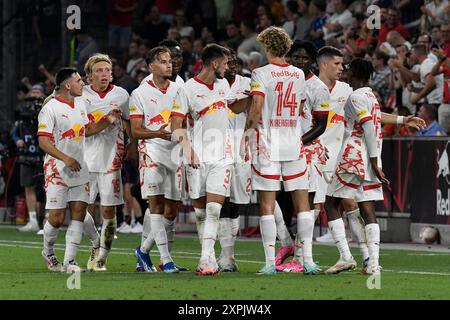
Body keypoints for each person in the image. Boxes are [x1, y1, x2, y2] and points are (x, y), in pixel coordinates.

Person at [325, 58, 425, 275]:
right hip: (369, 157)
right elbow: (376, 117)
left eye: (347, 69)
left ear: (355, 74)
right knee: (367, 207)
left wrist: (372, 160)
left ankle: (345, 256)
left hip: (354, 156)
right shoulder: (369, 95)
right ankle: (373, 264)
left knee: (330, 204)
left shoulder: (355, 96)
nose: (344, 71)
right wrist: (402, 120)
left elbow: (369, 126)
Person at [243, 27, 324, 275]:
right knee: (302, 203)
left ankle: (269, 263)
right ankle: (307, 260)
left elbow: (256, 108)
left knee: (267, 204)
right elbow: (300, 108)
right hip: (294, 143)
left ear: (267, 48)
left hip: (268, 144)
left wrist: (246, 136)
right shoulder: (299, 75)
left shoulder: (260, 73)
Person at [38, 67, 121, 273]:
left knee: (78, 213)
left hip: (80, 167)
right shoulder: (50, 108)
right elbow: (43, 141)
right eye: (78, 81)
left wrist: (106, 119)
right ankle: (48, 252)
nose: (82, 83)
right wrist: (66, 158)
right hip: (57, 168)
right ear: (68, 85)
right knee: (56, 219)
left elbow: (88, 130)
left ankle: (70, 262)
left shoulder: (80, 103)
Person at [170, 44, 234, 276]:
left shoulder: (224, 85)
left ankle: (205, 259)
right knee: (200, 213)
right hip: (197, 157)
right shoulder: (186, 89)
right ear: (215, 64)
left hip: (222, 156)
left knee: (214, 209)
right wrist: (187, 147)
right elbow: (175, 127)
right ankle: (209, 256)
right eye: (225, 63)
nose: (227, 68)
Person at [275, 40, 330, 273]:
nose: (299, 61)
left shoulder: (318, 87)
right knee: (273, 196)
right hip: (282, 147)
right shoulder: (284, 80)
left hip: (306, 150)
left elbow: (321, 125)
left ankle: (303, 258)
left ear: (312, 61)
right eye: (295, 57)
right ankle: (289, 244)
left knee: (305, 203)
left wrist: (298, 143)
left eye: (304, 58)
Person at [131, 46, 187, 274]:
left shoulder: (179, 89)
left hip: (175, 153)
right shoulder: (140, 93)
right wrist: (157, 133)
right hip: (151, 152)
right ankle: (166, 260)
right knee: (156, 206)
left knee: (171, 211)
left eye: (170, 61)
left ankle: (143, 250)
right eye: (163, 61)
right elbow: (135, 130)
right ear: (151, 66)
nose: (169, 64)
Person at [81, 54, 130, 271]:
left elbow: (130, 124)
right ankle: (95, 242)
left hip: (111, 161)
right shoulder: (81, 94)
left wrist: (131, 147)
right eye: (99, 70)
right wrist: (106, 119)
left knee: (109, 212)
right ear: (89, 75)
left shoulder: (122, 95)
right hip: (84, 161)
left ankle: (102, 257)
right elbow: (82, 128)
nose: (104, 74)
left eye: (107, 70)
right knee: (80, 211)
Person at [216, 50, 251, 273]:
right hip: (216, 148)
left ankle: (230, 252)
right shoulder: (213, 85)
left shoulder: (247, 83)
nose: (233, 66)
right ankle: (224, 254)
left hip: (242, 149)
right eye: (229, 63)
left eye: (236, 62)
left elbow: (256, 110)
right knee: (220, 200)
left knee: (236, 201)